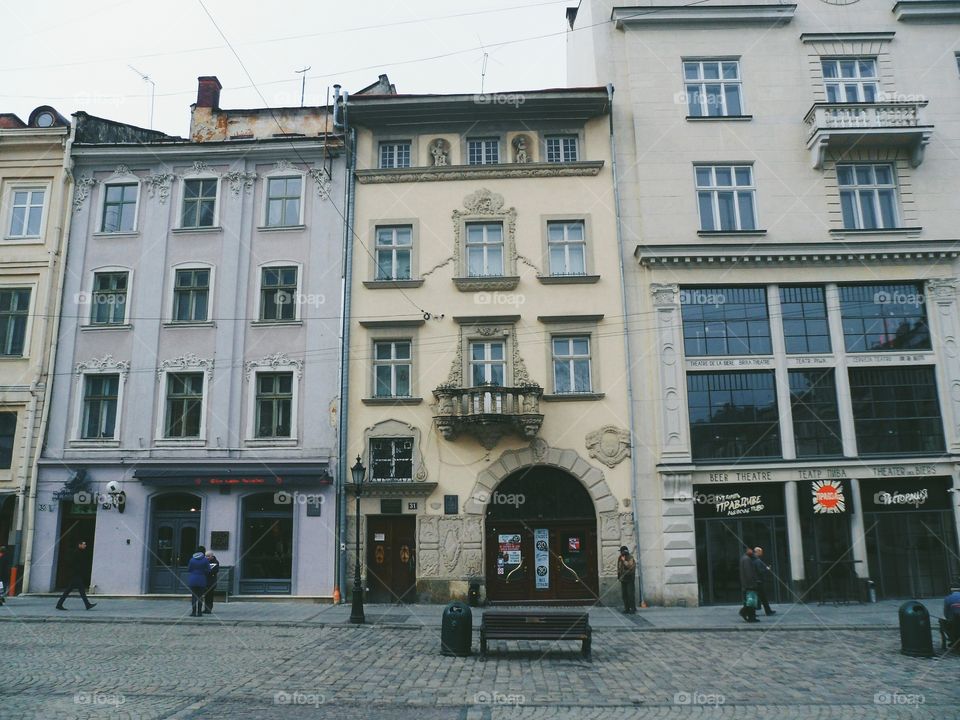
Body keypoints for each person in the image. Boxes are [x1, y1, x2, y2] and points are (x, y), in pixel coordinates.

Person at [55, 540, 96, 611]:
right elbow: (72, 563)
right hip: (75, 575)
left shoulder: (80, 552)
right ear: (79, 545)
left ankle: (59, 604)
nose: (85, 545)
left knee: (69, 590)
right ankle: (87, 604)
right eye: (83, 544)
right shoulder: (76, 552)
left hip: (76, 574)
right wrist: (76, 571)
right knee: (81, 590)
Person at [187, 547, 211, 618]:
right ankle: (199, 612)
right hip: (202, 579)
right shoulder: (205, 560)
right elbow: (208, 570)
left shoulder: (192, 560)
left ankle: (193, 612)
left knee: (194, 596)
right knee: (200, 596)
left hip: (193, 579)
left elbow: (189, 569)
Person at [752, 546, 776, 616]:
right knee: (763, 598)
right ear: (757, 552)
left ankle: (754, 612)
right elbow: (760, 571)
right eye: (761, 552)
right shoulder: (758, 560)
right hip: (759, 581)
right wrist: (767, 569)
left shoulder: (753, 559)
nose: (762, 553)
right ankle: (768, 611)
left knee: (757, 597)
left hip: (755, 581)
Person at [738, 546, 758, 623]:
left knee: (750, 601)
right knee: (751, 602)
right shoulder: (747, 559)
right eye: (751, 550)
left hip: (747, 584)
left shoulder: (744, 558)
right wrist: (753, 583)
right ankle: (749, 616)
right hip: (750, 585)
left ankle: (748, 615)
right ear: (747, 550)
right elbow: (749, 573)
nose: (752, 551)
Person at [617, 546, 637, 614]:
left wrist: (624, 560)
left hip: (630, 578)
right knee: (624, 595)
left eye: (621, 551)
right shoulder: (620, 558)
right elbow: (619, 567)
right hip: (623, 579)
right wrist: (619, 576)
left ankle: (633, 608)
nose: (620, 553)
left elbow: (630, 566)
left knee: (630, 594)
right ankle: (627, 608)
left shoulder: (630, 557)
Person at [203, 550, 220, 614]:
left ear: (211, 556)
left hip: (211, 582)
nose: (206, 557)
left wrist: (206, 571)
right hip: (205, 581)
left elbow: (213, 571)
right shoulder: (205, 562)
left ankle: (209, 609)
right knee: (206, 596)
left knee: (210, 596)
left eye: (208, 556)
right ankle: (206, 608)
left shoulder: (215, 562)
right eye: (205, 556)